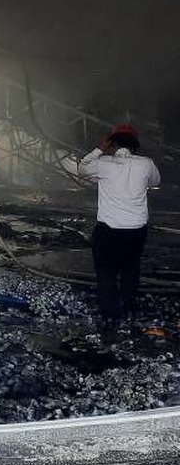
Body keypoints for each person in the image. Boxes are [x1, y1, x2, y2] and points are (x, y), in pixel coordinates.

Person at [78, 124, 161, 322]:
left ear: (112, 144)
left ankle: (110, 315)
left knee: (106, 271)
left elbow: (82, 169)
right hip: (135, 229)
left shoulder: (103, 163)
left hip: (108, 230)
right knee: (130, 268)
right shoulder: (146, 163)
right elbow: (155, 182)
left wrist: (99, 148)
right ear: (134, 144)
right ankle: (129, 307)